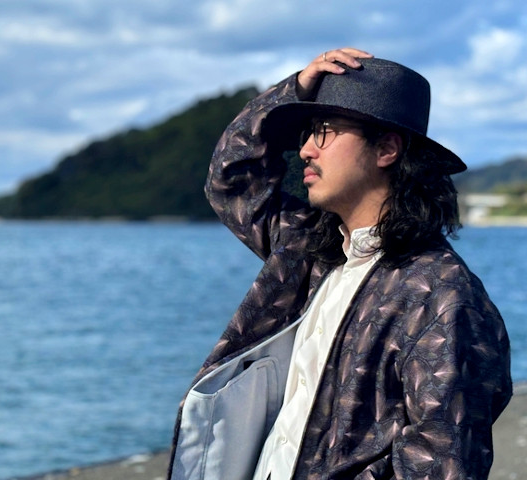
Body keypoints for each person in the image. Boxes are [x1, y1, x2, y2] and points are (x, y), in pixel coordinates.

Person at [168, 48, 512, 480]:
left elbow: (443, 463)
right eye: (307, 133)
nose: (305, 150)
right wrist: (293, 90)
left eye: (325, 132)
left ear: (386, 148)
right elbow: (232, 179)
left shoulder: (439, 294)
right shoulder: (311, 251)